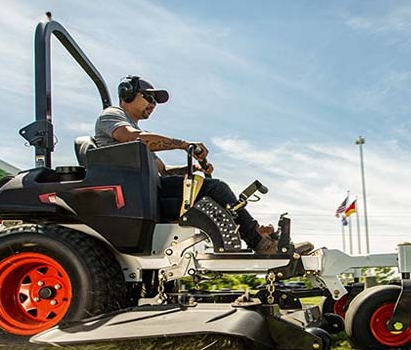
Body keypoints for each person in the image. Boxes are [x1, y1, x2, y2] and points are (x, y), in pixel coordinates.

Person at [94, 76, 307, 254]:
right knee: (216, 188)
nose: (152, 104)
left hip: (147, 191)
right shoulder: (113, 115)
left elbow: (162, 171)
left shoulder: (138, 134)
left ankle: (254, 234)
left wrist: (194, 169)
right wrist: (184, 145)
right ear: (127, 93)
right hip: (132, 198)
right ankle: (258, 241)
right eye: (148, 97)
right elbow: (132, 138)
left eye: (155, 101)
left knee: (208, 187)